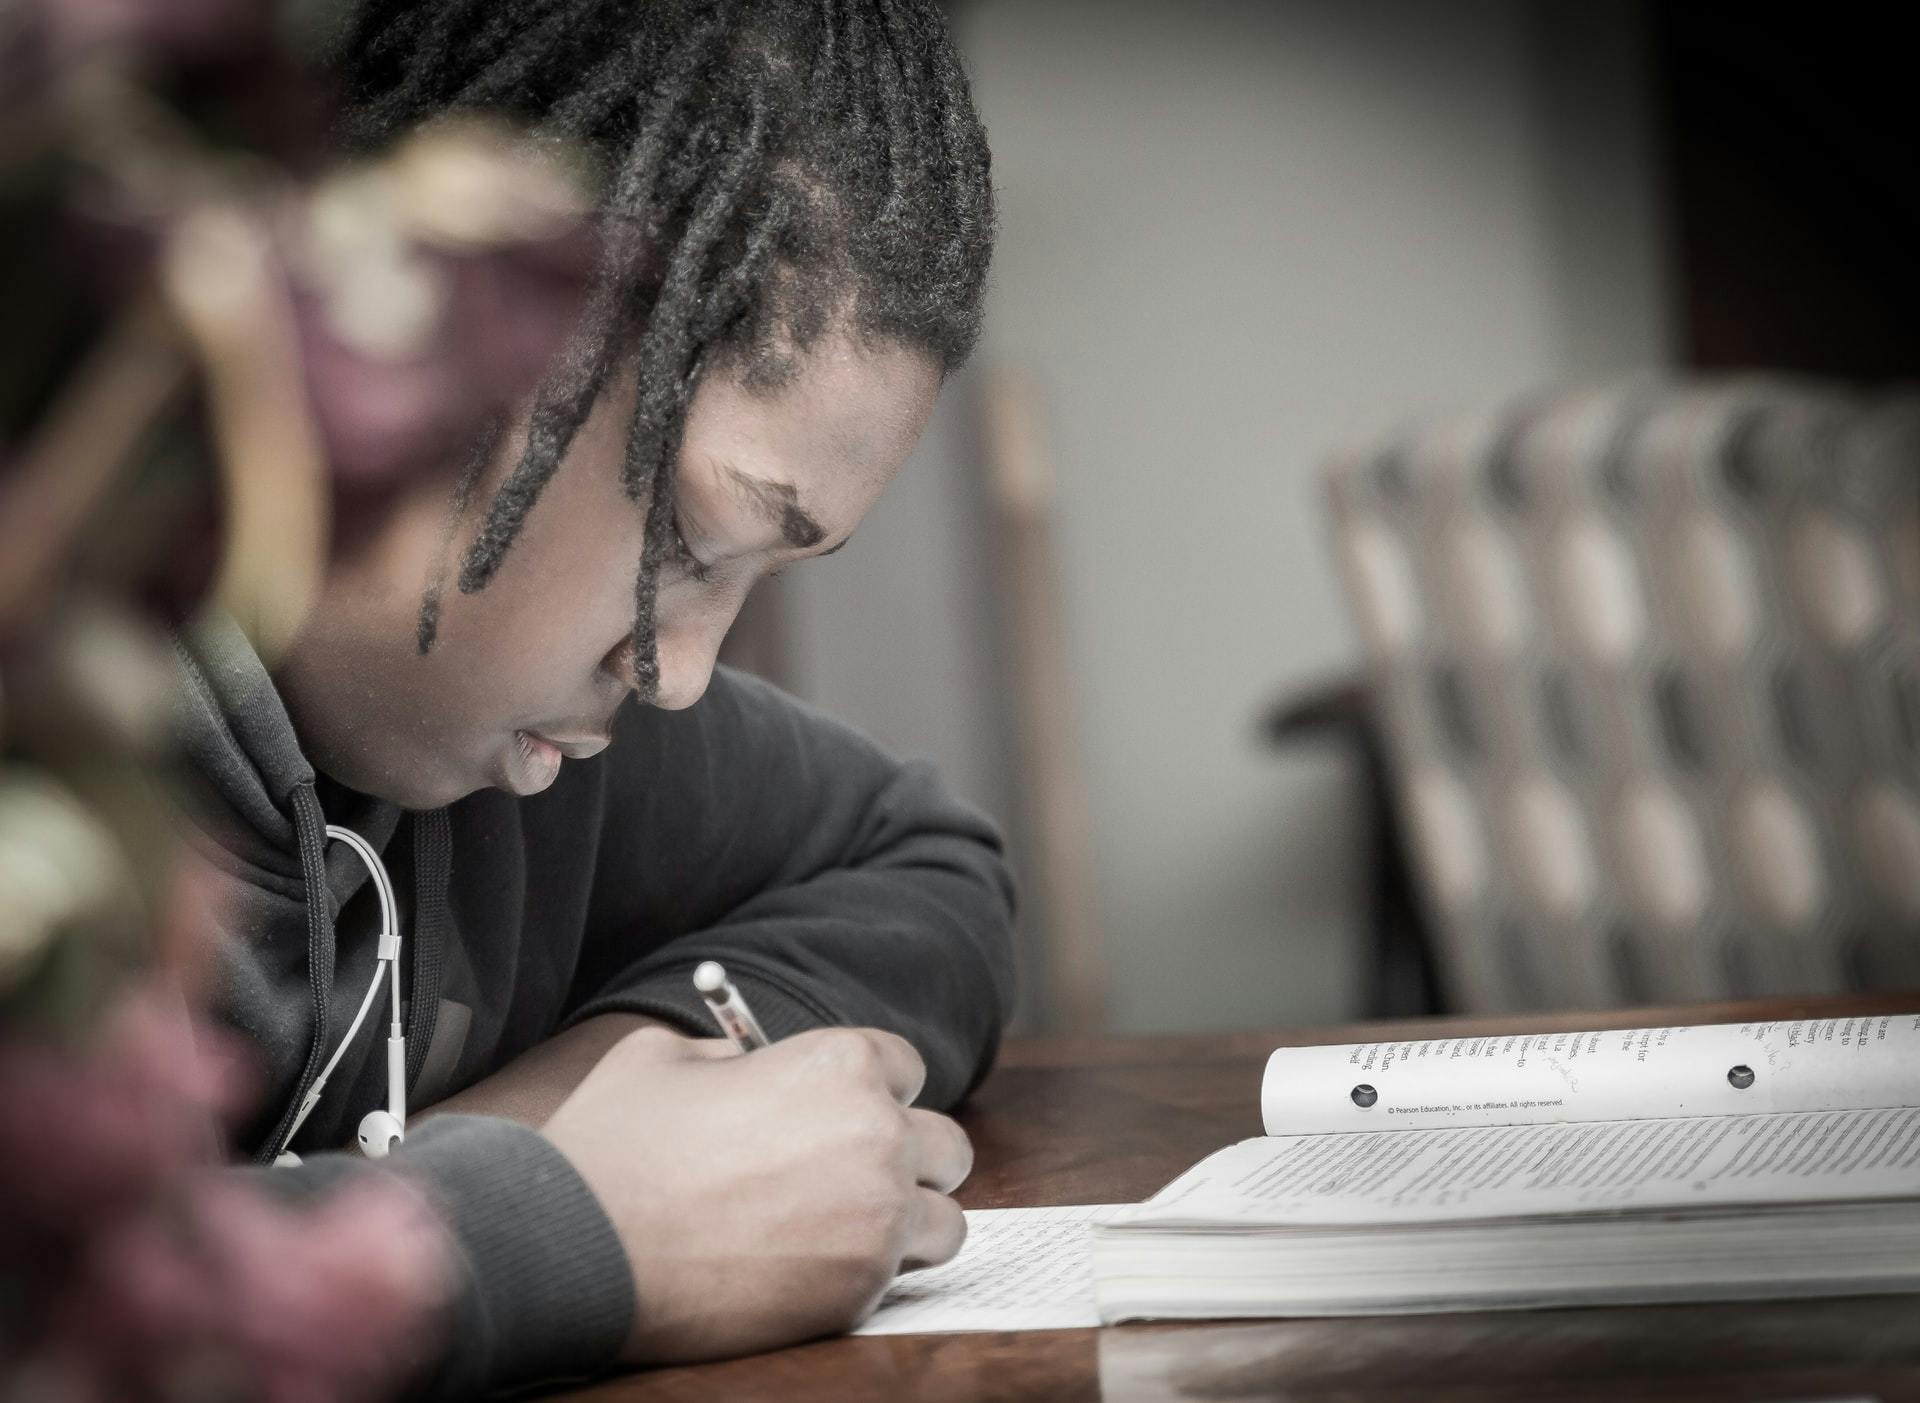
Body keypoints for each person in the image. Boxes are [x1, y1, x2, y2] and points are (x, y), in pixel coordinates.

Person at [171, 0, 1011, 1394]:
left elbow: (926, 859)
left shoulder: (510, 741)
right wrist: (568, 1225)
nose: (678, 674)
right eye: (687, 543)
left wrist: (569, 1115)